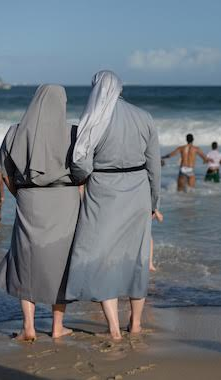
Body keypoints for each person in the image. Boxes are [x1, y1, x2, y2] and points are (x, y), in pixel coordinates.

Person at [66, 70, 161, 340]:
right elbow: (154, 165)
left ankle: (114, 329)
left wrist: (78, 178)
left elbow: (81, 166)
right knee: (137, 258)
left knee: (102, 258)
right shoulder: (144, 116)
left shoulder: (94, 118)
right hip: (139, 190)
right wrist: (153, 202)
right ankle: (137, 324)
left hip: (103, 192)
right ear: (120, 88)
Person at [0, 85, 80, 341]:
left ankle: (29, 328)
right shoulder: (72, 133)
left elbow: (4, 173)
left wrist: (20, 194)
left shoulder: (14, 133)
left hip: (28, 199)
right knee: (61, 262)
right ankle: (57, 327)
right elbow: (84, 171)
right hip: (65, 199)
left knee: (25, 261)